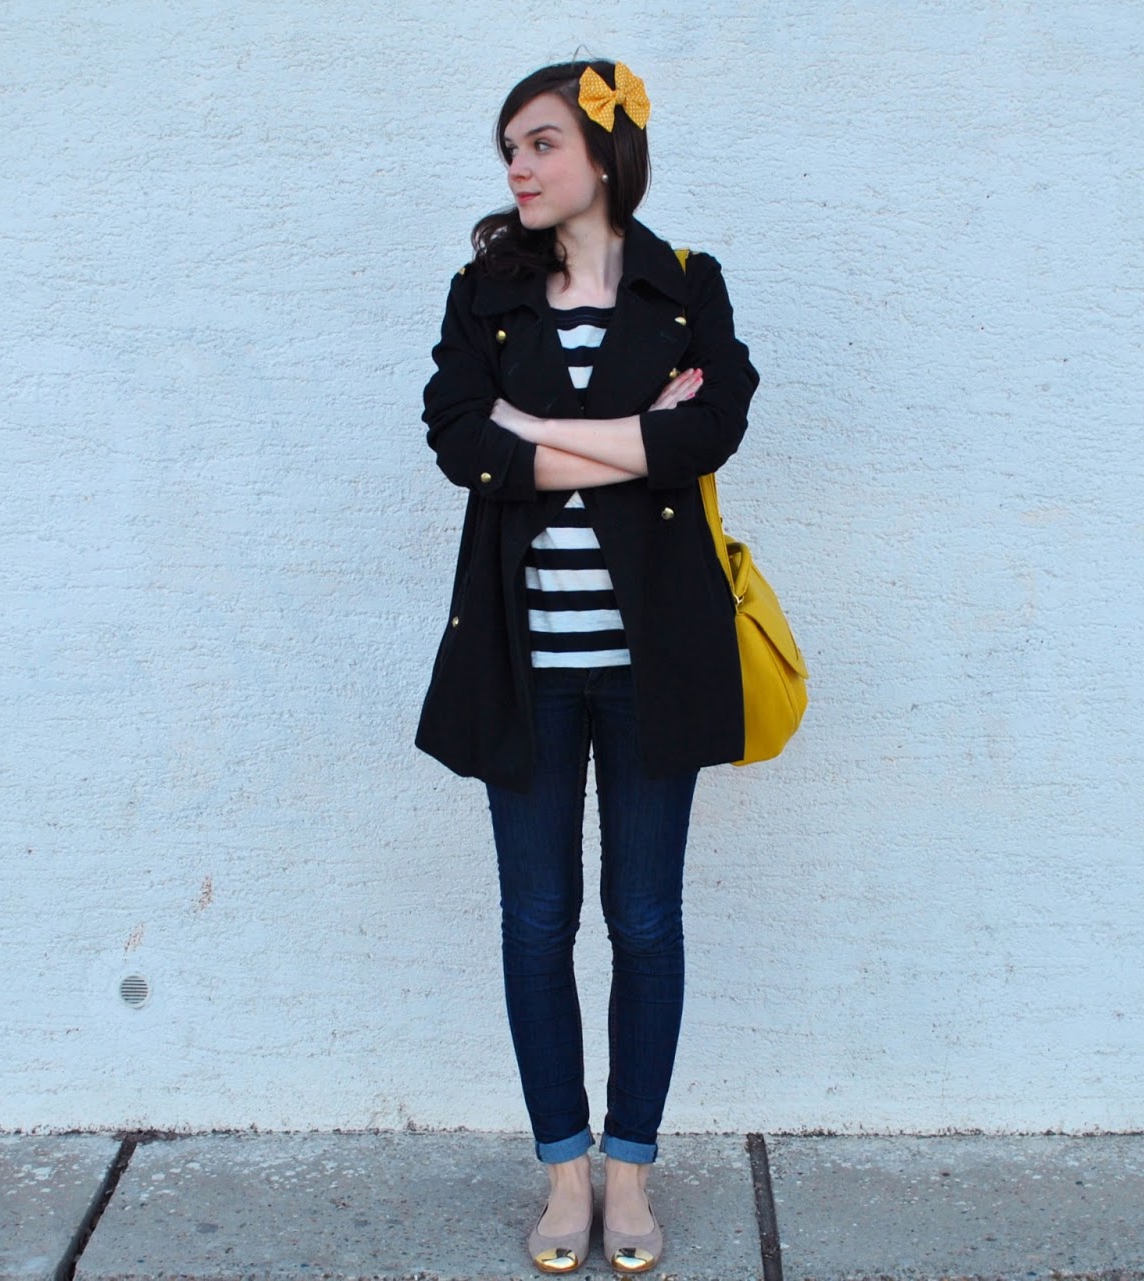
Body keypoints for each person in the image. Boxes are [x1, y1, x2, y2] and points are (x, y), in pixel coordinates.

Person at [414, 58, 759, 1275]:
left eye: (540, 141)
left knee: (645, 921)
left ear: (605, 153)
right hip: (521, 663)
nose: (517, 165)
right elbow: (457, 436)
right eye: (508, 147)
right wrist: (633, 437)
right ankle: (565, 1175)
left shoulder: (684, 283)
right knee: (535, 920)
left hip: (651, 661)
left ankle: (631, 1172)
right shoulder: (485, 292)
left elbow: (710, 429)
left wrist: (537, 430)